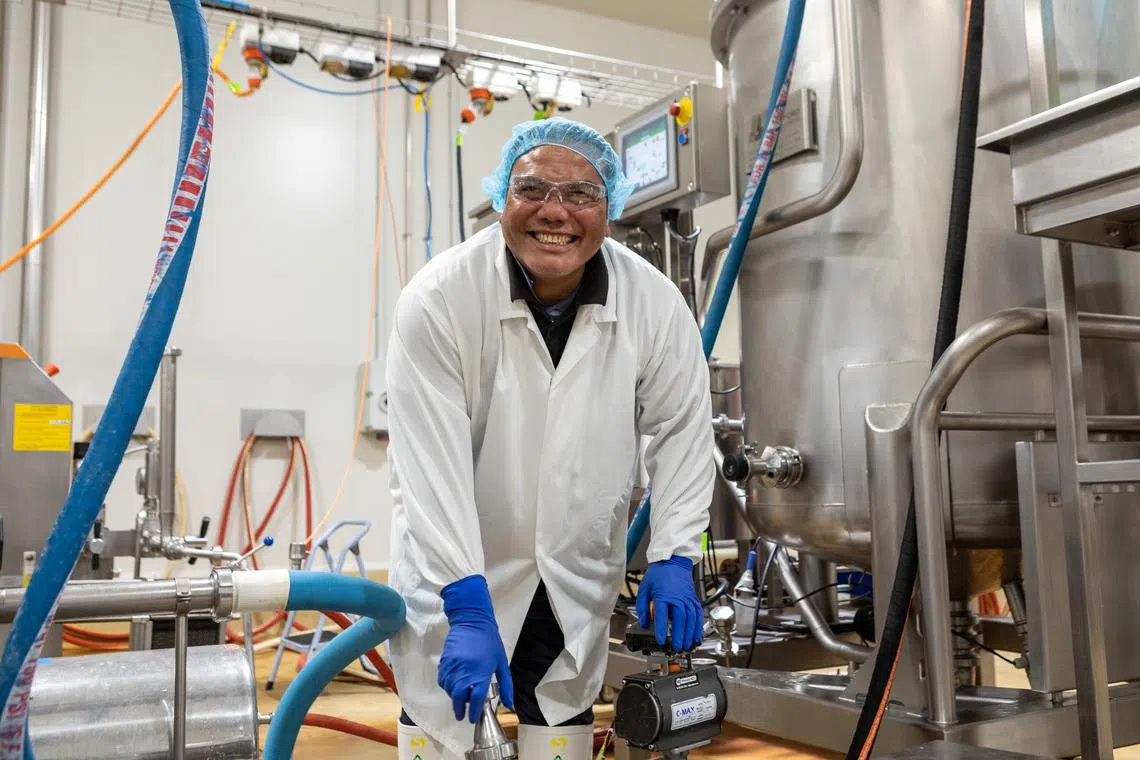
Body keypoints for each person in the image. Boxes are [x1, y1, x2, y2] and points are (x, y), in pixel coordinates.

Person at [386, 117, 715, 760]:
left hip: (574, 567)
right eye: (532, 189)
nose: (554, 212)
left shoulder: (653, 302)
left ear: (610, 209)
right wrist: (464, 595)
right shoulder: (440, 297)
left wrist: (676, 553)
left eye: (581, 195)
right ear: (503, 199)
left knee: (558, 728)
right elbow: (429, 464)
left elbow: (681, 429)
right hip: (459, 576)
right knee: (439, 731)